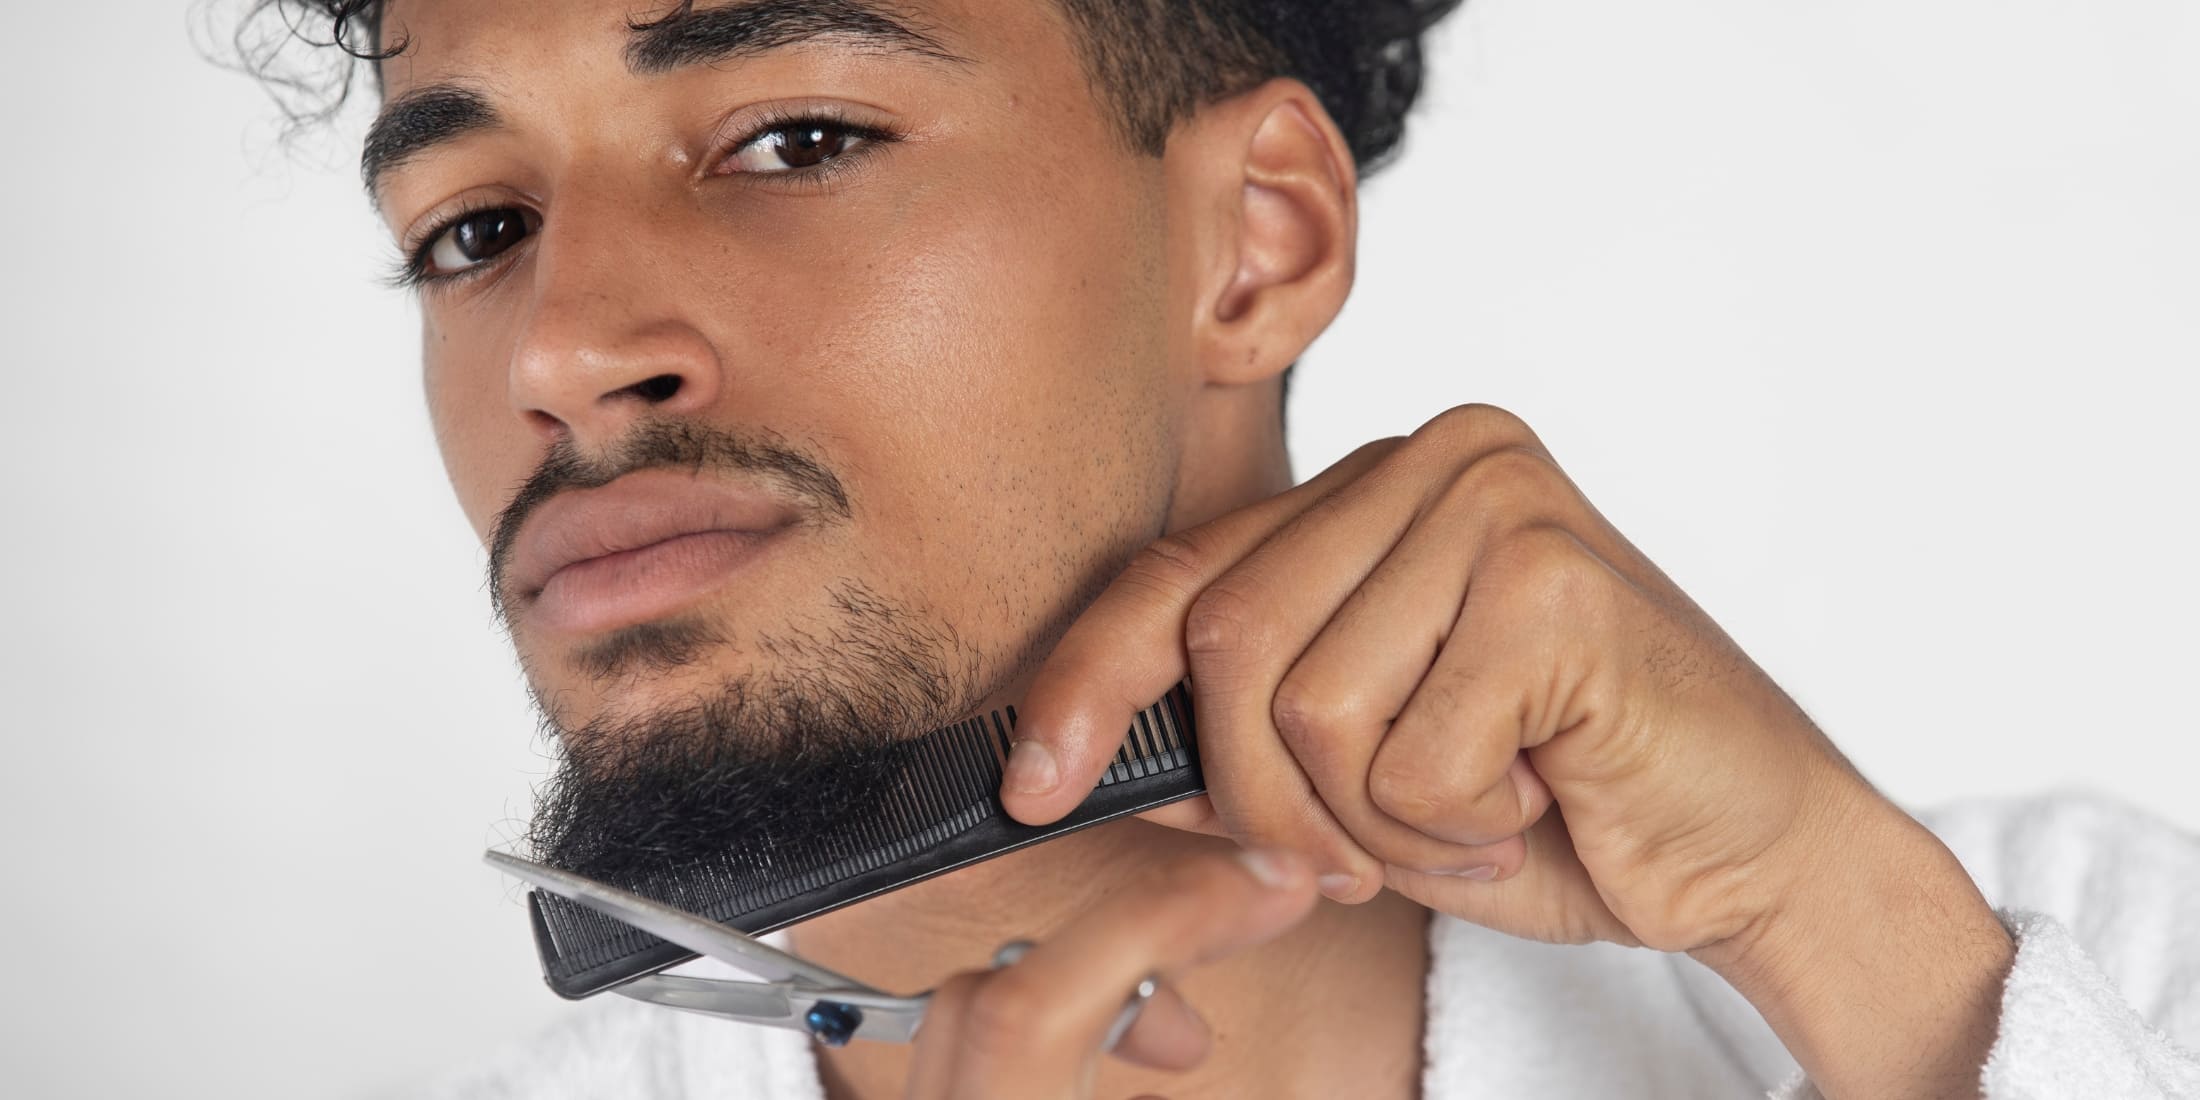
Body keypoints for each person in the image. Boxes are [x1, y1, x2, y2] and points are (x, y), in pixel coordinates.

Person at [233, 1, 2200, 1096]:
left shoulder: (2053, 966)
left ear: (1255, 244)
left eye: (795, 140)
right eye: (472, 232)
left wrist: (1865, 956)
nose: (559, 352)